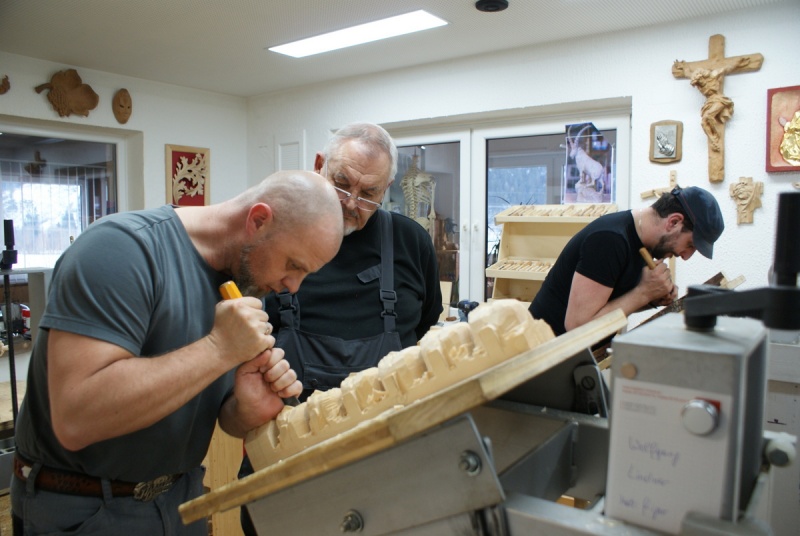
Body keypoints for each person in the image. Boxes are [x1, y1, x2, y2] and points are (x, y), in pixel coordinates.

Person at [11, 170, 344, 535]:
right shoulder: (120, 250)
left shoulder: (243, 284)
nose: (293, 287)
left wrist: (243, 409)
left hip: (180, 500)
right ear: (258, 220)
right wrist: (219, 348)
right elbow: (77, 419)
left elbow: (208, 411)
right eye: (294, 265)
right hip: (84, 508)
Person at [239, 122, 442, 534]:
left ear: (386, 191)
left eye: (368, 194)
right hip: (287, 463)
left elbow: (423, 328)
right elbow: (242, 341)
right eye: (342, 183)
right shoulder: (271, 235)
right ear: (319, 165)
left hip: (387, 465)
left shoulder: (411, 243)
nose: (351, 203)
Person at [529, 186, 724, 338]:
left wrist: (651, 299)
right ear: (673, 222)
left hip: (575, 356)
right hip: (541, 356)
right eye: (690, 245)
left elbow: (606, 308)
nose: (686, 256)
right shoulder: (610, 240)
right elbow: (577, 326)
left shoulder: (644, 243)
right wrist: (643, 292)